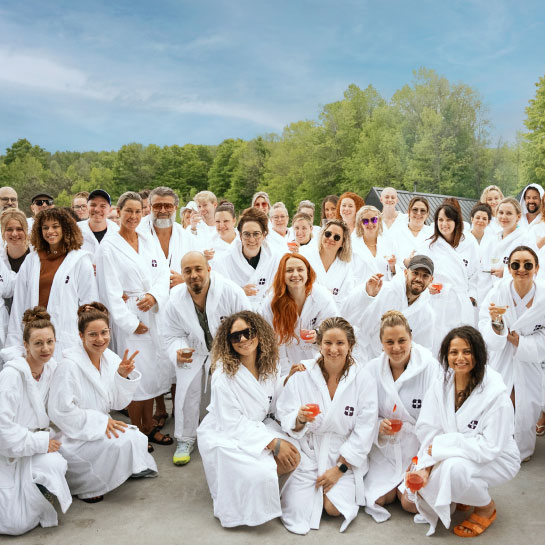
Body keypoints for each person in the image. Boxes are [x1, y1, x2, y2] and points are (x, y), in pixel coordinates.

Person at [410, 326, 520, 537]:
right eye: (454, 352)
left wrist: (443, 447)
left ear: (478, 354)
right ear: (446, 355)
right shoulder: (440, 386)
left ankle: (485, 507)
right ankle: (464, 494)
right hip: (453, 451)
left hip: (498, 458)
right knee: (417, 490)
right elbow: (428, 427)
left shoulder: (496, 395)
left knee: (454, 470)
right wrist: (426, 466)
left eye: (467, 352)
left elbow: (490, 447)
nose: (460, 358)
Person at [197, 311, 300, 528]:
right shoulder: (223, 375)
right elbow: (231, 422)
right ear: (229, 342)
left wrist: (287, 380)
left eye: (248, 332)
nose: (243, 340)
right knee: (262, 474)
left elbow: (270, 401)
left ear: (259, 333)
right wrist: (273, 443)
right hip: (225, 431)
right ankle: (243, 495)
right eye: (236, 336)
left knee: (297, 455)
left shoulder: (268, 364)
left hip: (258, 426)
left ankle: (266, 491)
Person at [276, 317, 378, 534]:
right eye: (328, 343)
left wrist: (339, 469)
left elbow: (365, 429)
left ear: (350, 345)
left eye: (340, 343)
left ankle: (331, 490)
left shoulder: (363, 379)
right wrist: (299, 418)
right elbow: (284, 412)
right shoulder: (303, 374)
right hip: (309, 450)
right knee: (297, 512)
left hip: (342, 454)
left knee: (333, 508)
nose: (333, 349)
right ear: (319, 344)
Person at [48, 303, 157, 504]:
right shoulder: (69, 365)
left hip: (100, 424)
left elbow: (117, 401)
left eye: (104, 333)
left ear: (110, 331)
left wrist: (122, 377)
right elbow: (59, 411)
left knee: (134, 437)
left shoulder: (110, 358)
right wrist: (98, 422)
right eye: (92, 335)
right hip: (74, 434)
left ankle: (121, 470)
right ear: (81, 336)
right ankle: (88, 485)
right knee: (120, 442)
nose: (100, 339)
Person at [96, 191, 172, 449]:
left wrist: (154, 295)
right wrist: (129, 322)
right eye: (128, 211)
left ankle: (149, 425)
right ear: (117, 212)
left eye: (138, 211)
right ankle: (137, 432)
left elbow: (163, 273)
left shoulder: (146, 238)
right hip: (130, 315)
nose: (133, 216)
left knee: (152, 376)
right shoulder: (109, 246)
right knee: (135, 375)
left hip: (152, 311)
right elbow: (110, 290)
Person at [163, 252, 251, 466]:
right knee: (186, 389)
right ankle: (185, 439)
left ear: (209, 269)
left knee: (227, 389)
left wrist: (236, 352)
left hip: (228, 349)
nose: (193, 275)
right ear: (181, 274)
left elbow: (248, 324)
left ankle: (229, 433)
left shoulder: (230, 291)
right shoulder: (175, 298)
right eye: (187, 271)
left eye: (198, 269)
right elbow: (170, 334)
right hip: (194, 350)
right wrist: (179, 349)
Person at [364, 311, 441, 522]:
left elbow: (436, 418)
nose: (396, 348)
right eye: (389, 342)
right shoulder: (372, 370)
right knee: (378, 499)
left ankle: (415, 484)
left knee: (409, 503)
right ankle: (395, 487)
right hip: (387, 448)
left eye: (401, 341)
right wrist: (379, 425)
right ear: (381, 343)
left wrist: (424, 461)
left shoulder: (429, 367)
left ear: (411, 338)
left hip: (418, 448)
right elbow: (364, 412)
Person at [0, 307, 71, 535]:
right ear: (25, 345)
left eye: (50, 342)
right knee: (15, 524)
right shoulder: (11, 375)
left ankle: (39, 491)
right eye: (38, 343)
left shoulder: (51, 369)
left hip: (33, 445)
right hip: (8, 452)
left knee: (56, 463)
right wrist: (39, 442)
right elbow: (1, 428)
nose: (45, 349)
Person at [478, 246, 544, 461]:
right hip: (502, 356)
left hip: (529, 358)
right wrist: (498, 325)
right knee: (500, 399)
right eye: (516, 264)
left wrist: (521, 342)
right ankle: (498, 446)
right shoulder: (498, 291)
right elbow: (485, 322)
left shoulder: (543, 296)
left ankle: (522, 449)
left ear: (537, 267)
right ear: (509, 267)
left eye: (527, 265)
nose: (521, 269)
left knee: (529, 402)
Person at [7, 208, 98, 357]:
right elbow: (19, 304)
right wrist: (14, 344)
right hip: (35, 334)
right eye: (45, 227)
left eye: (55, 226)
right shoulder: (31, 260)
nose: (50, 231)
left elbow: (89, 304)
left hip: (67, 337)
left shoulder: (80, 260)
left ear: (65, 228)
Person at [342, 255, 437, 358]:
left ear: (431, 279)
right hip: (360, 355)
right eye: (415, 273)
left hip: (393, 365)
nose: (419, 279)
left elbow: (423, 351)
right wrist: (367, 295)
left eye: (425, 276)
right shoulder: (380, 289)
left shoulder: (427, 314)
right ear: (406, 272)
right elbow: (345, 314)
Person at [259, 253, 338, 375]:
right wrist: (285, 373)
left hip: (319, 361)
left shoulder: (322, 296)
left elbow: (335, 328)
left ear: (308, 272)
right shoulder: (272, 302)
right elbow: (269, 341)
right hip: (284, 363)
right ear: (282, 275)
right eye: (289, 270)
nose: (295, 274)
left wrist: (318, 335)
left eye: (300, 269)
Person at [416, 204, 478, 339]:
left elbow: (475, 273)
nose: (444, 224)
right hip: (438, 301)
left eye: (448, 220)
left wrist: (472, 295)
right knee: (438, 341)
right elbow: (415, 275)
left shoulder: (468, 243)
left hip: (462, 301)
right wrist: (427, 287)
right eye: (440, 220)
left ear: (456, 222)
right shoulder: (428, 246)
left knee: (462, 342)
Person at [214, 207, 282, 308]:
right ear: (240, 236)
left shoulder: (275, 258)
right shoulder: (224, 260)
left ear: (264, 235)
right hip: (237, 312)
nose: (251, 239)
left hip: (267, 311)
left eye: (256, 234)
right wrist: (239, 292)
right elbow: (218, 293)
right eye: (246, 234)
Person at [138, 186, 193, 289]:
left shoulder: (186, 237)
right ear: (150, 207)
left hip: (177, 299)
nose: (163, 210)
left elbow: (201, 270)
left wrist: (185, 279)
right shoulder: (137, 232)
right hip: (145, 300)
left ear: (175, 207)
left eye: (168, 206)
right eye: (157, 206)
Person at [482, 198, 535, 287]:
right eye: (501, 212)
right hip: (490, 293)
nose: (504, 217)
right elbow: (483, 267)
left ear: (518, 217)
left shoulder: (526, 240)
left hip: (514, 290)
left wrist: (506, 272)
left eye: (509, 213)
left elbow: (532, 268)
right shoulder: (492, 239)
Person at [300, 219, 354, 305]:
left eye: (337, 237)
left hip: (332, 313)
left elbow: (345, 297)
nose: (331, 238)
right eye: (328, 234)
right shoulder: (305, 256)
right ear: (322, 235)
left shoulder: (345, 267)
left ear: (342, 243)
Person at [0, 209, 30, 341]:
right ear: (2, 232)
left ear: (26, 231)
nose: (14, 234)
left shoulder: (36, 256)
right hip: (7, 319)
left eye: (19, 229)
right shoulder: (1, 258)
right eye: (9, 229)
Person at [351, 205, 396, 283]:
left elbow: (397, 273)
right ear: (360, 224)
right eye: (365, 221)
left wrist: (393, 267)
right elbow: (349, 273)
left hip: (384, 290)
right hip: (362, 291)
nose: (370, 223)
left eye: (373, 220)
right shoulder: (352, 245)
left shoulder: (389, 242)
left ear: (378, 221)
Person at [391, 196, 433, 269]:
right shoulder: (396, 232)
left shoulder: (433, 234)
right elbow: (391, 257)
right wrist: (405, 262)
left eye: (422, 211)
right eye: (415, 210)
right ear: (408, 212)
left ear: (427, 214)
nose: (418, 213)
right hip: (401, 276)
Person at [79, 189, 119, 261]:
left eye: (102, 206)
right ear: (87, 207)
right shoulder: (75, 230)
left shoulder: (118, 233)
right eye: (93, 205)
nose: (97, 209)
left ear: (110, 210)